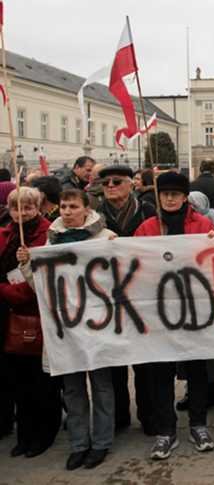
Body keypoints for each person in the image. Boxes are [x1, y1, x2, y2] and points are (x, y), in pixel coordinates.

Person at [19, 189, 116, 469]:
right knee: (72, 389)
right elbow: (37, 285)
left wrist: (115, 250)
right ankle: (78, 444)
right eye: (63, 206)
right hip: (65, 329)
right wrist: (27, 262)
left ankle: (101, 443)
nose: (67, 211)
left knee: (101, 386)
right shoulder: (49, 241)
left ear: (87, 209)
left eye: (73, 206)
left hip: (98, 325)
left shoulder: (104, 238)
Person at [135, 171, 214, 459]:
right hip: (159, 313)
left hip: (194, 311)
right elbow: (134, 264)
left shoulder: (202, 224)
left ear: (185, 197)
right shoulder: (147, 227)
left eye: (175, 194)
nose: (169, 198)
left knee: (197, 371)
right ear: (159, 197)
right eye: (165, 194)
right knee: (161, 373)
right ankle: (166, 431)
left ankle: (198, 424)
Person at [95, 165, 156, 434]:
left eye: (116, 181)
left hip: (143, 297)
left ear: (131, 184)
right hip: (108, 298)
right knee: (114, 362)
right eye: (105, 182)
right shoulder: (95, 217)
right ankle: (119, 416)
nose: (109, 186)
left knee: (145, 363)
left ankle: (149, 416)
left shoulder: (149, 212)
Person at [0, 187, 60, 458]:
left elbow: (39, 283)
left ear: (38, 207)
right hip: (9, 317)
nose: (21, 213)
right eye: (16, 208)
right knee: (18, 380)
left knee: (41, 381)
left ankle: (44, 433)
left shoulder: (48, 236)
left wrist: (4, 291)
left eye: (27, 207)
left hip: (38, 315)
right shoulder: (4, 234)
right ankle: (24, 434)